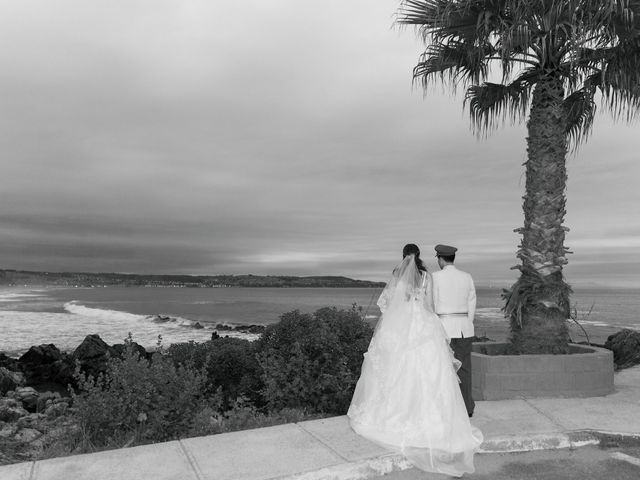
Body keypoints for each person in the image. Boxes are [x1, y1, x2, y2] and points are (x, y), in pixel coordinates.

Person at [348, 244, 483, 477]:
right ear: (420, 256)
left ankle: (398, 413)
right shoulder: (426, 276)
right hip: (423, 322)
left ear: (403, 256)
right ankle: (439, 416)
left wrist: (396, 317)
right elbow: (430, 304)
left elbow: (386, 303)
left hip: (402, 324)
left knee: (397, 369)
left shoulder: (397, 274)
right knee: (430, 370)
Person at [431, 244, 477, 417]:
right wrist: (467, 322)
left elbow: (432, 304)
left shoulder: (435, 277)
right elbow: (472, 301)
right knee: (464, 369)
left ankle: (447, 409)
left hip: (443, 328)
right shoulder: (467, 277)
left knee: (443, 370)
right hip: (464, 329)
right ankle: (467, 408)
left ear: (441, 259)